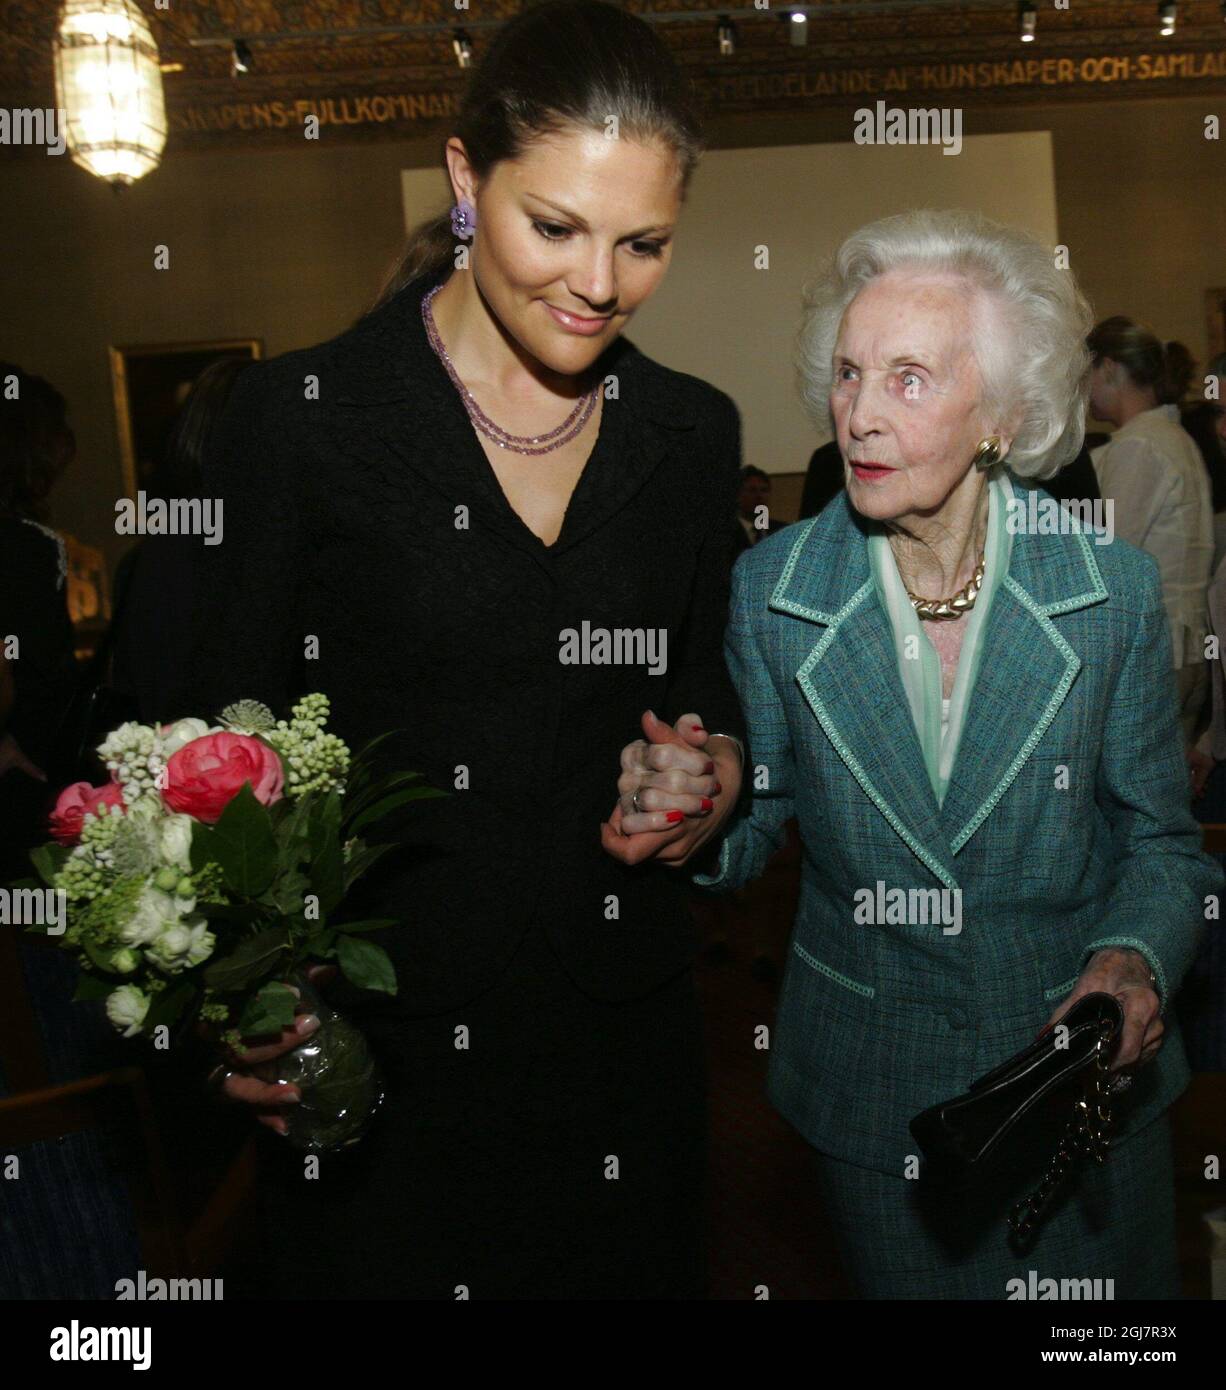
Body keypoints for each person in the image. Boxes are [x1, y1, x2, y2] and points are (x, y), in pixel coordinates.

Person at [178, 0, 746, 1299]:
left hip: (623, 1041)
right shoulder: (302, 421)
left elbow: (700, 685)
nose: (597, 283)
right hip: (381, 1058)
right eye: (554, 225)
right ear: (461, 181)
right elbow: (199, 755)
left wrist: (705, 772)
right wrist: (227, 1012)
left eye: (643, 242)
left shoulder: (688, 434)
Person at [632, 209, 1221, 1298]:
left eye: (907, 378)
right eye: (849, 373)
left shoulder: (1107, 596)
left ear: (998, 413)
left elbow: (1163, 846)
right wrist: (702, 804)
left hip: (1079, 1087)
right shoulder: (774, 591)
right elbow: (757, 812)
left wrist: (1130, 960)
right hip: (874, 1098)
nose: (855, 412)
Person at [1088, 317, 1213, 742]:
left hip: (1159, 654)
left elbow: (1107, 554)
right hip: (1188, 650)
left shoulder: (1140, 445)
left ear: (1107, 368)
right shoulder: (1173, 437)